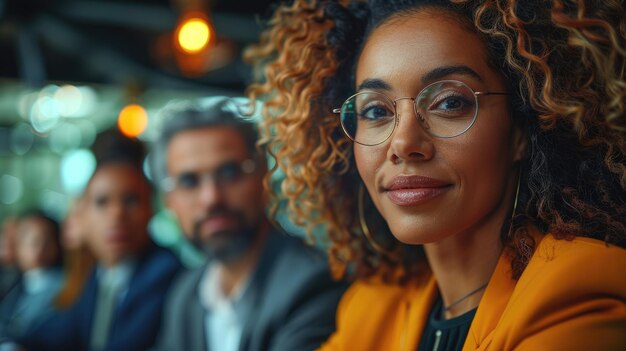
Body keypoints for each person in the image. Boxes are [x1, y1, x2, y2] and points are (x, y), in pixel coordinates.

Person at [245, 0, 626, 349]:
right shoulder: (373, 306)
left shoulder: (576, 292)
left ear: (521, 131)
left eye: (449, 102)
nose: (403, 142)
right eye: (376, 111)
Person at [150, 97, 347, 351]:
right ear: (169, 200)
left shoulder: (313, 284)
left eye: (229, 172)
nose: (211, 198)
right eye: (189, 181)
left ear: (263, 175)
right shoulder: (185, 295)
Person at [15, 130, 182, 351]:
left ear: (152, 208)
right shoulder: (99, 273)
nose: (117, 215)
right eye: (102, 202)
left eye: (131, 201)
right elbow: (57, 331)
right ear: (82, 213)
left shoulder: (165, 273)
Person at [0, 211, 64, 340]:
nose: (37, 246)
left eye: (46, 239)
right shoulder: (14, 281)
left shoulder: (63, 286)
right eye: (27, 237)